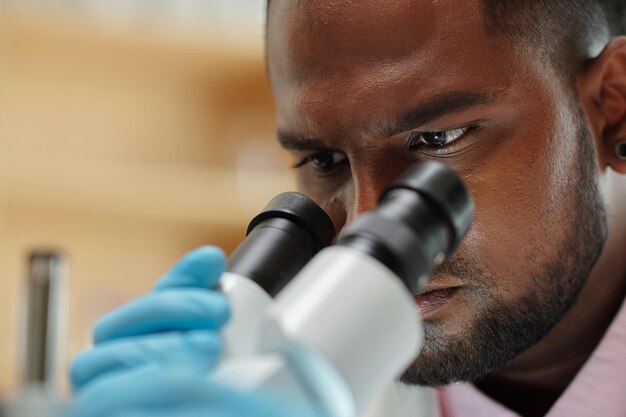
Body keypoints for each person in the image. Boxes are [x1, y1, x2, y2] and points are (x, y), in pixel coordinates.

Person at [67, 1, 626, 416]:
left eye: (437, 138)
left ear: (613, 108)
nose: (362, 221)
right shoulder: (297, 386)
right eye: (323, 158)